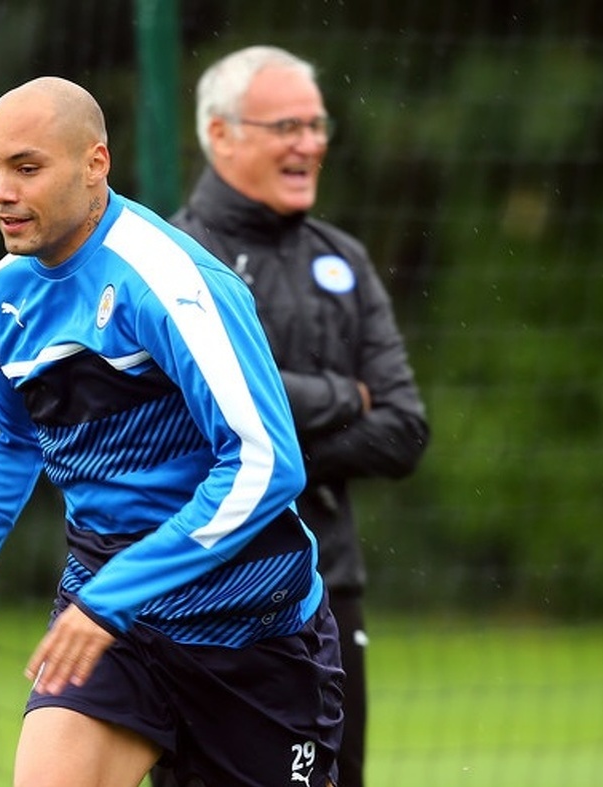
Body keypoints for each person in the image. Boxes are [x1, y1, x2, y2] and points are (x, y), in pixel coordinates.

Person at [0, 76, 345, 787]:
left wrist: (118, 592)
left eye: (28, 168)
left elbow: (265, 464)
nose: (2, 192)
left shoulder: (173, 283)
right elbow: (11, 438)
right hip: (110, 625)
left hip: (251, 630)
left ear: (97, 163)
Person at [153, 46, 430, 787]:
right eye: (286, 126)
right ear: (220, 133)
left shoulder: (346, 260)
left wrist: (257, 414)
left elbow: (403, 430)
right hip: (195, 589)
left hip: (324, 589)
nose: (310, 143)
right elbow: (187, 419)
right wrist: (344, 397)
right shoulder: (172, 262)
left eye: (316, 124)